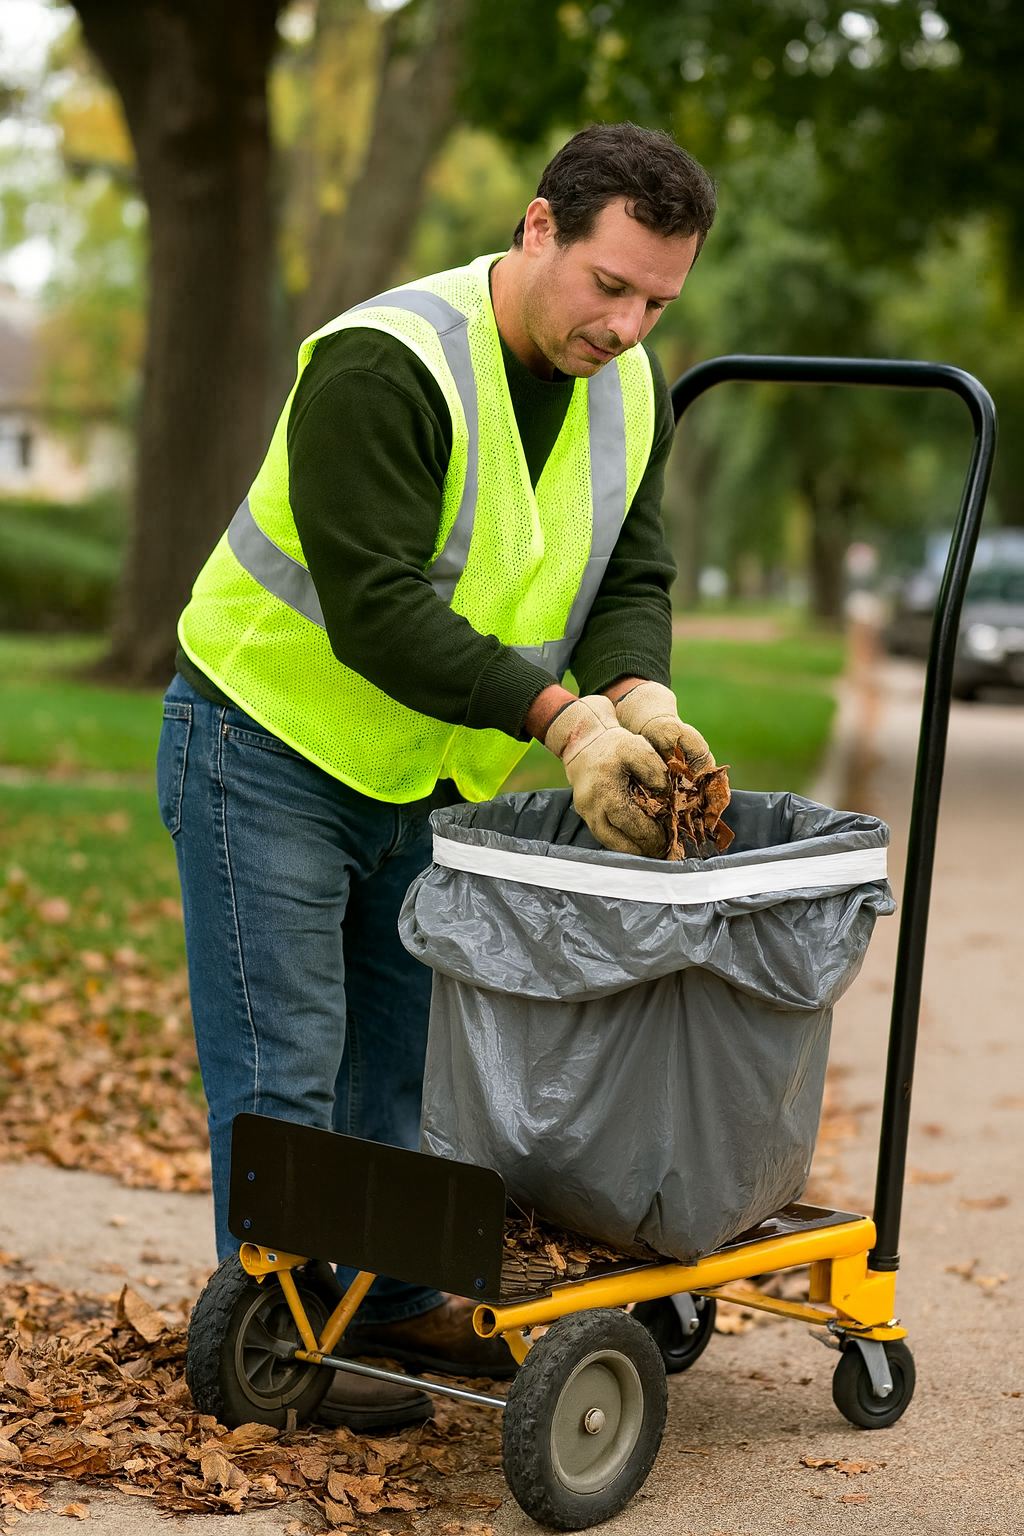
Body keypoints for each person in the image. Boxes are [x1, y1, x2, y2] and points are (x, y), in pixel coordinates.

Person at [158, 122, 718, 1429]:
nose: (628, 326)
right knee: (291, 1068)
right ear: (539, 230)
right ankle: (284, 1334)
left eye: (657, 300)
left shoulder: (635, 393)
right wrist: (567, 724)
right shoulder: (386, 364)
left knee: (406, 1071)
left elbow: (626, 574)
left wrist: (641, 693)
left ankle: (394, 1302)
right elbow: (375, 607)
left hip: (424, 782)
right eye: (610, 284)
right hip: (266, 747)